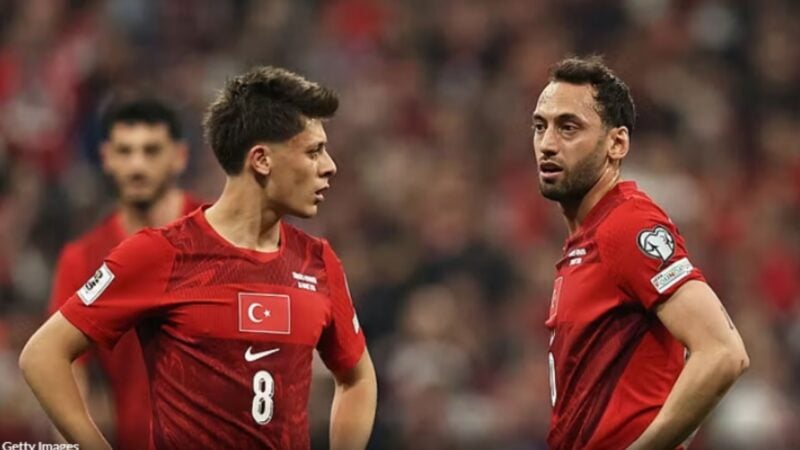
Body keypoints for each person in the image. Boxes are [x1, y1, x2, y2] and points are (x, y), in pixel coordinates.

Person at [21, 66, 377, 450]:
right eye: (313, 151)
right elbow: (43, 355)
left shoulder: (318, 262)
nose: (329, 166)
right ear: (261, 160)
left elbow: (357, 378)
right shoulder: (162, 253)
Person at [531, 56, 749, 450]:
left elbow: (723, 352)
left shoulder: (626, 223)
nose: (547, 144)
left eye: (568, 127)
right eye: (540, 126)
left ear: (616, 143)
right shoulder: (585, 241)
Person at [47, 98, 202, 450]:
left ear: (179, 156)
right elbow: (66, 374)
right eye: (125, 151)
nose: (137, 165)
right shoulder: (84, 259)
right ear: (106, 157)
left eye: (151, 151)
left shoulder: (220, 238)